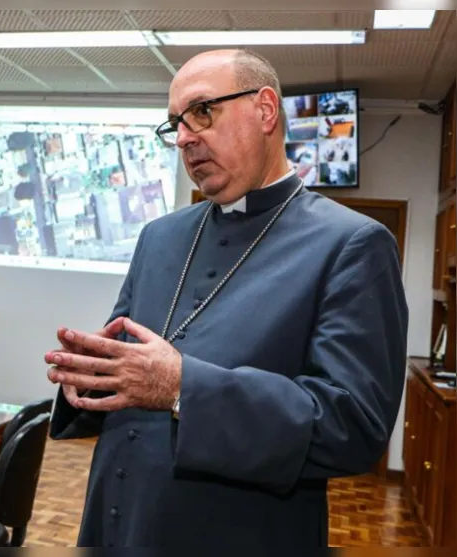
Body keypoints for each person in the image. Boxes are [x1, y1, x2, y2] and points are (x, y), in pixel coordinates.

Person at [45, 49, 408, 550]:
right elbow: (126, 363)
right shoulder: (159, 236)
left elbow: (352, 426)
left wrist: (181, 387)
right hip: (116, 525)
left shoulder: (352, 245)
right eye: (175, 123)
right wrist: (89, 379)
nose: (185, 137)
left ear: (265, 110)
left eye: (202, 112)